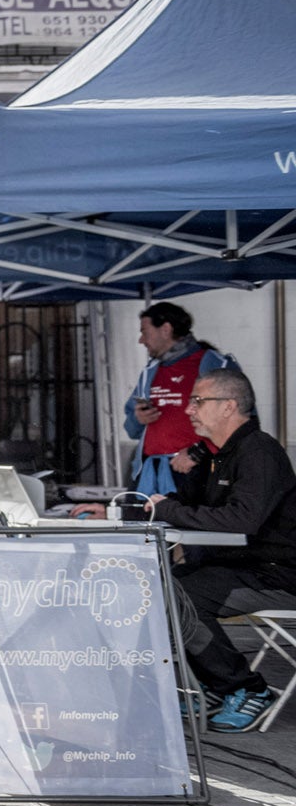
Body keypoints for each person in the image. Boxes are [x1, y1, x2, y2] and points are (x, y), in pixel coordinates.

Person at [139, 369, 290, 732]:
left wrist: (168, 509)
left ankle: (246, 688)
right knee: (154, 588)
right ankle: (211, 686)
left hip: (276, 574)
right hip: (234, 567)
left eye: (198, 401)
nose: (189, 410)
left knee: (182, 597)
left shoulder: (260, 452)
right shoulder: (214, 455)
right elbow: (184, 504)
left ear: (229, 407)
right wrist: (132, 507)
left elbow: (241, 520)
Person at [124, 302, 232, 496]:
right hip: (151, 474)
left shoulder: (213, 363)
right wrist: (138, 419)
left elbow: (239, 422)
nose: (141, 340)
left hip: (195, 474)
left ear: (166, 329)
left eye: (145, 332)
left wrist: (197, 453)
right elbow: (131, 430)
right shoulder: (150, 371)